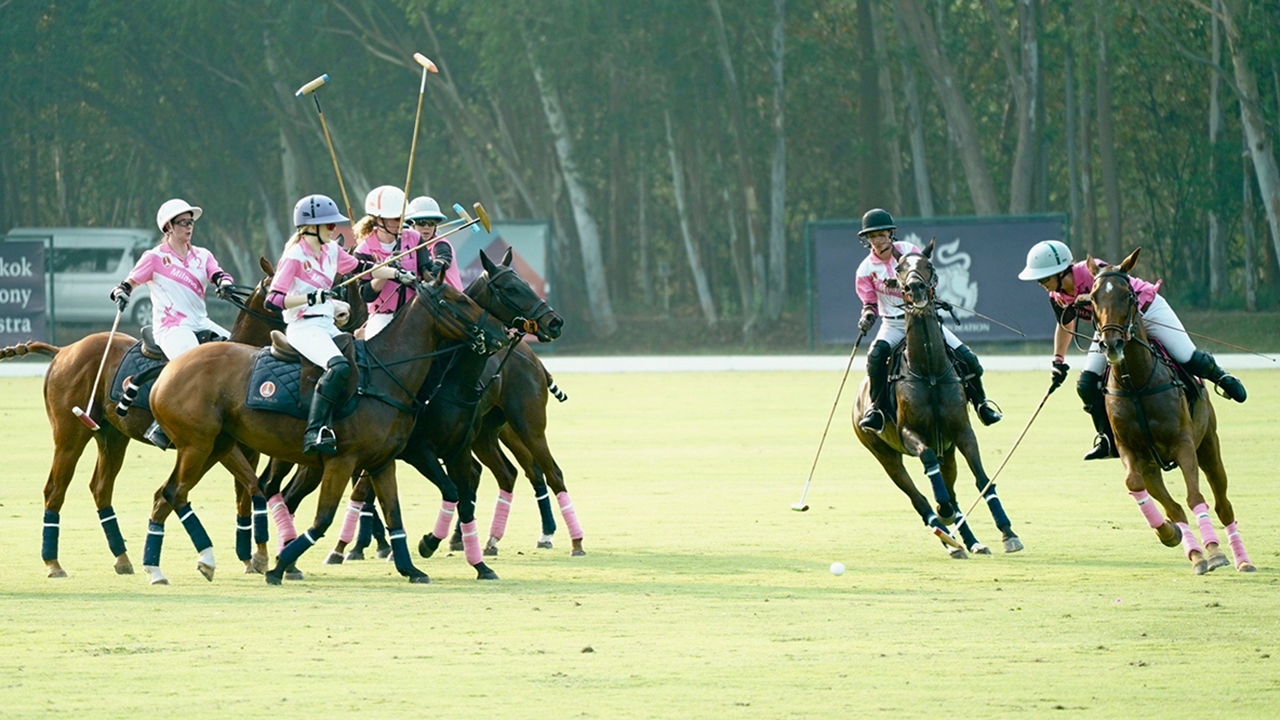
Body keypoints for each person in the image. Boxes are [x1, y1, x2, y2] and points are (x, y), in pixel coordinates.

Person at [1018, 239, 1247, 460]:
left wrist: (1085, 297)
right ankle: (1107, 439)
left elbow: (1110, 289)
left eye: (1043, 277)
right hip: (1113, 326)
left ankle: (1222, 378)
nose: (1040, 283)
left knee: (1186, 356)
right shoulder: (1056, 296)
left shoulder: (1092, 270)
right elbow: (1065, 325)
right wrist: (1058, 360)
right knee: (1086, 384)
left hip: (1146, 309)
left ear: (1061, 272)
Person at [265, 194, 412, 455]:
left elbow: (363, 268)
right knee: (338, 365)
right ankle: (315, 431)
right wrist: (309, 298)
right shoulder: (295, 256)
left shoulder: (331, 250)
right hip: (303, 328)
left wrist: (397, 273)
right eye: (330, 225)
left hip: (326, 325)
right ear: (311, 227)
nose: (335, 229)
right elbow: (273, 300)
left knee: (363, 359)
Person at [855, 208, 1002, 433]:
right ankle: (877, 410)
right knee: (875, 357)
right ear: (866, 240)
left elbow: (929, 277)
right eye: (873, 236)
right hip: (894, 324)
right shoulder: (865, 269)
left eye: (882, 234)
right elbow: (870, 303)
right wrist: (867, 316)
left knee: (967, 357)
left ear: (891, 234)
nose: (878, 240)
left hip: (923, 319)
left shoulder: (909, 251)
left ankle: (981, 404)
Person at [110, 198, 236, 448]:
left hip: (201, 322)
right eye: (183, 223)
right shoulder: (154, 258)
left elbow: (218, 274)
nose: (189, 227)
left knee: (237, 352)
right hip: (171, 328)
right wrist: (121, 292)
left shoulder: (203, 255)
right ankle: (163, 424)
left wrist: (224, 283)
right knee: (194, 365)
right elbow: (129, 283)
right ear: (168, 227)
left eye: (191, 222)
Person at [350, 188, 461, 339]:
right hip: (383, 316)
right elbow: (367, 295)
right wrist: (385, 271)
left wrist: (435, 272)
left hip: (415, 311)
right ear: (379, 220)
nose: (401, 222)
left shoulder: (414, 238)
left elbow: (427, 273)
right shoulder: (363, 250)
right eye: (396, 218)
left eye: (402, 217)